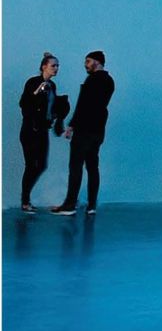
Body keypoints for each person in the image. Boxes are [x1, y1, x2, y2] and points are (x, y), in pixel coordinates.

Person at [51, 51, 115, 216]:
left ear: (97, 62)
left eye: (88, 61)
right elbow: (98, 106)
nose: (85, 65)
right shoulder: (109, 81)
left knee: (75, 167)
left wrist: (72, 125)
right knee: (93, 167)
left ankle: (70, 205)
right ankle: (92, 205)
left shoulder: (91, 80)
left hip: (84, 130)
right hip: (98, 130)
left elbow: (84, 105)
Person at [19, 51, 66, 212]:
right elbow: (24, 103)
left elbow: (50, 107)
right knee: (31, 165)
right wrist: (38, 91)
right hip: (30, 130)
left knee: (41, 165)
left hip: (43, 130)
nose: (56, 68)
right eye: (53, 65)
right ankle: (25, 200)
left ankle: (26, 198)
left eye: (57, 66)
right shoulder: (33, 82)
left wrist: (56, 115)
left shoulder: (52, 86)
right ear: (44, 67)